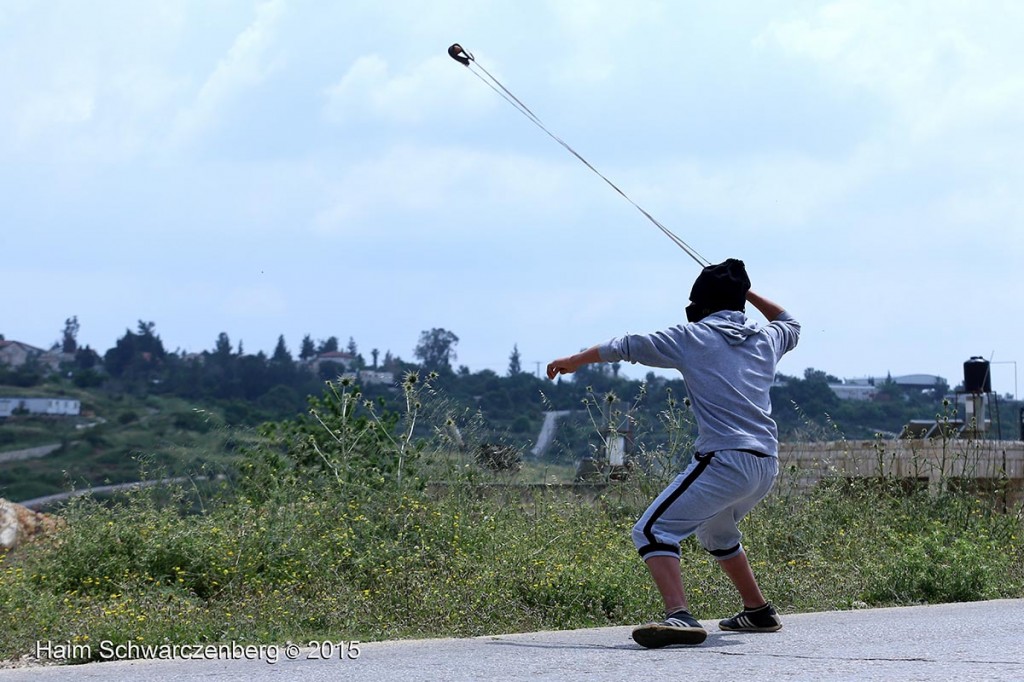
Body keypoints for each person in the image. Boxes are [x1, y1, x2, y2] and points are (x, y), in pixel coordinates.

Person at [546, 258, 800, 648]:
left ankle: (679, 616)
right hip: (765, 464)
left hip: (725, 459)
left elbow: (625, 346)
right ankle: (758, 611)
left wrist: (575, 360)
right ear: (738, 303)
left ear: (700, 304)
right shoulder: (765, 340)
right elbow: (789, 322)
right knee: (716, 532)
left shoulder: (691, 337)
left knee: (651, 530)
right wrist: (742, 288)